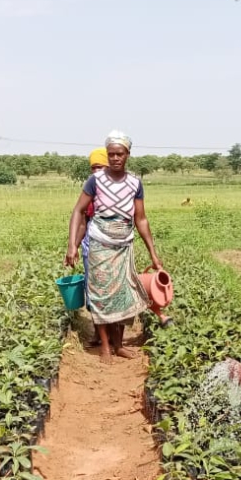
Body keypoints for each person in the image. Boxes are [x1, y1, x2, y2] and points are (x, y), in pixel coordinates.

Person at [65, 131, 164, 362]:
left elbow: (141, 219)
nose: (115, 158)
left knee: (122, 295)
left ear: (128, 154)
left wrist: (153, 253)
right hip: (99, 244)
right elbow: (78, 211)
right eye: (111, 154)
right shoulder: (95, 181)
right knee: (100, 295)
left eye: (120, 154)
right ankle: (105, 347)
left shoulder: (134, 184)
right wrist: (72, 245)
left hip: (123, 246)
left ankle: (119, 345)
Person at [82, 148, 108, 347]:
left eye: (100, 167)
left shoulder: (119, 189)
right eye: (94, 168)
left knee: (112, 290)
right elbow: (82, 218)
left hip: (112, 245)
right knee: (93, 288)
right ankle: (98, 334)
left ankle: (114, 337)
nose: (96, 171)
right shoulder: (89, 189)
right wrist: (73, 246)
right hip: (91, 244)